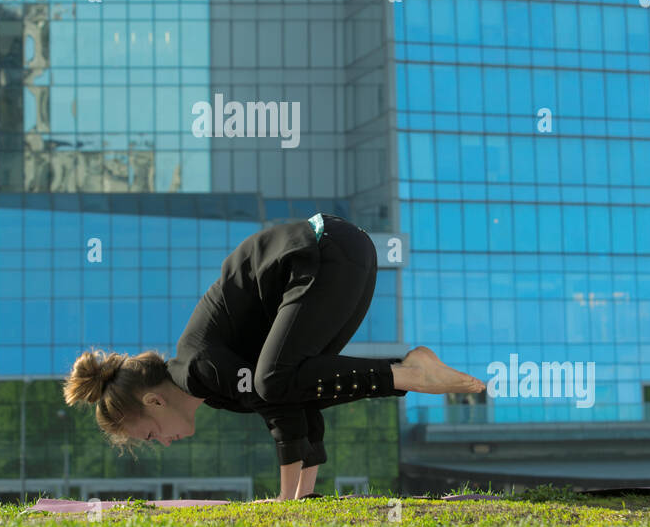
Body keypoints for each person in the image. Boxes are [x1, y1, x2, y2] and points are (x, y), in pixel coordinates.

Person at [63, 212, 485, 500]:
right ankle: (409, 371)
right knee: (295, 380)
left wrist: (284, 501)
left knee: (276, 382)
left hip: (323, 254)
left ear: (153, 400)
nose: (164, 442)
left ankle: (409, 372)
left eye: (151, 435)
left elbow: (275, 401)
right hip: (348, 256)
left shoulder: (196, 368)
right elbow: (295, 402)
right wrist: (302, 497)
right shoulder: (213, 389)